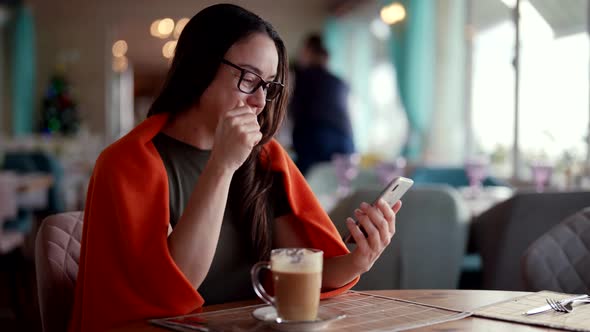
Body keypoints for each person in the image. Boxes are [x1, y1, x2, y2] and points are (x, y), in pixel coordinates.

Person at [70, 4, 401, 331]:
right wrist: (221, 166)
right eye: (248, 78)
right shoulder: (127, 162)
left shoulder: (265, 159)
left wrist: (359, 259)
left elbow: (294, 268)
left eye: (268, 85)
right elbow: (172, 287)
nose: (259, 100)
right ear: (200, 68)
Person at [290, 33, 356, 175]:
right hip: (345, 137)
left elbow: (293, 110)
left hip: (314, 135)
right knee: (341, 182)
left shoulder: (301, 77)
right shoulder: (340, 82)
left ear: (308, 53)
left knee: (307, 182)